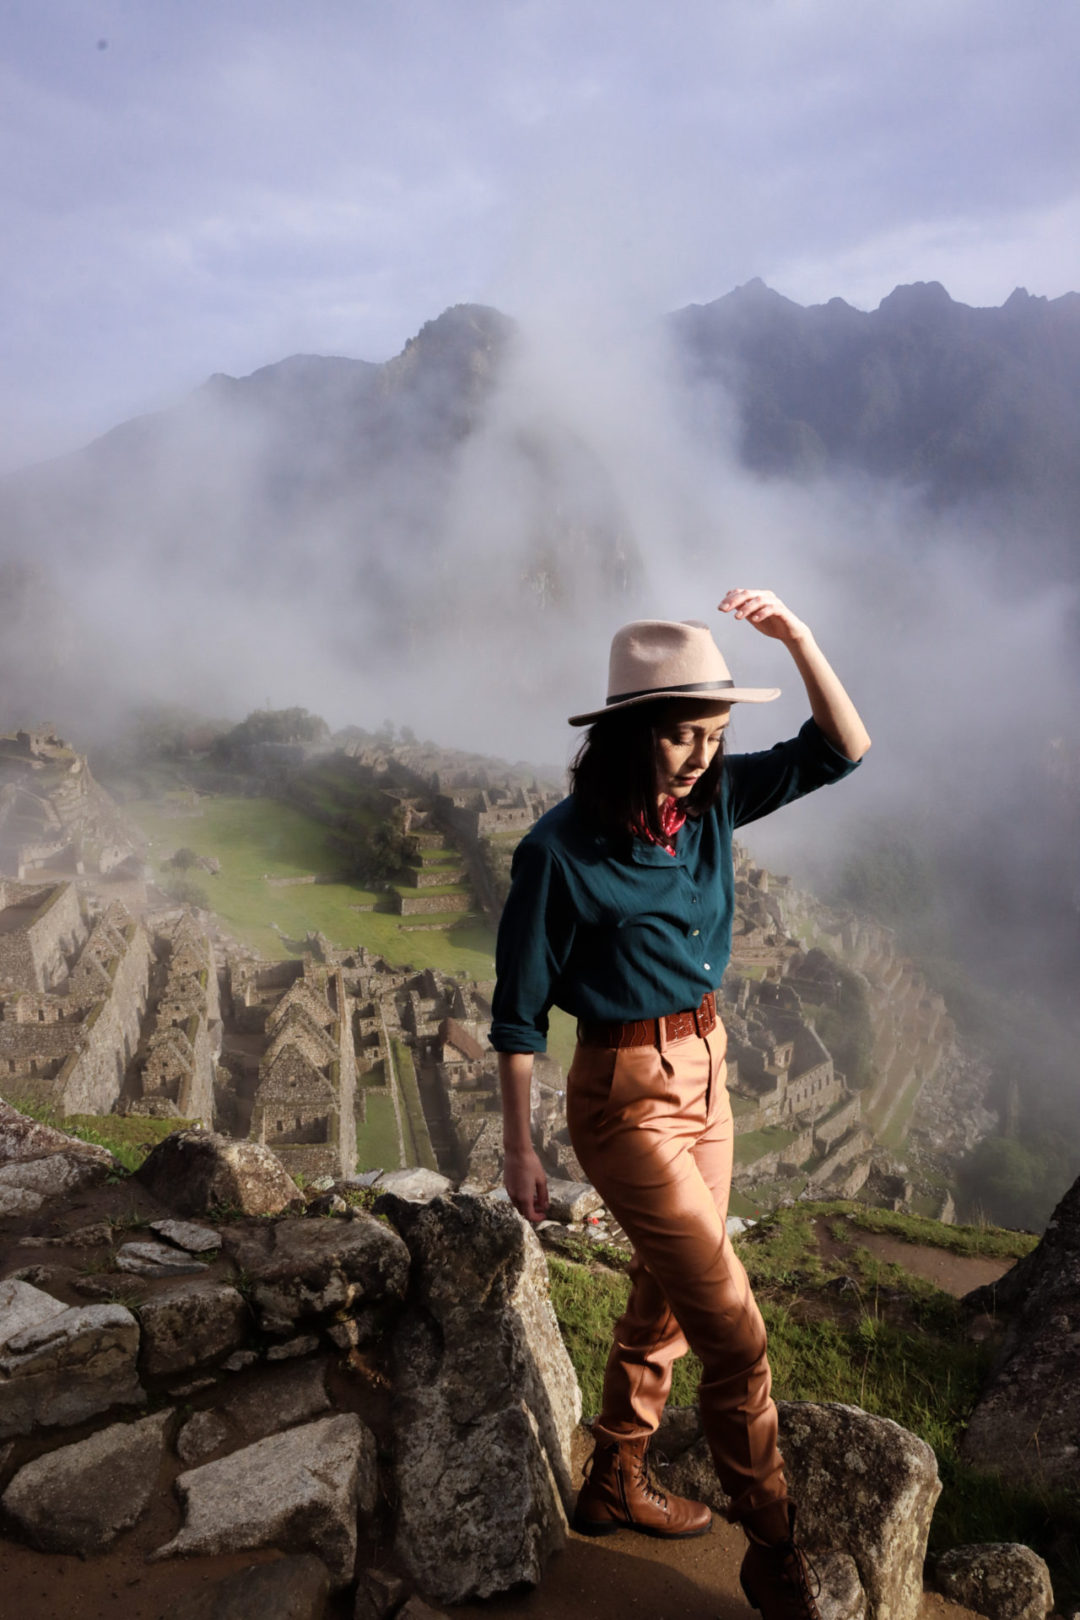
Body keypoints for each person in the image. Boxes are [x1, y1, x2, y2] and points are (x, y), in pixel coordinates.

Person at [490, 588, 871, 1620]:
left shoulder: (708, 808)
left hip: (709, 1075)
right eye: (679, 735)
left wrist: (797, 637)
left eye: (712, 733)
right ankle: (775, 1542)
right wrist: (520, 1150)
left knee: (667, 1292)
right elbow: (520, 1015)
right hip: (623, 1098)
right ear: (628, 734)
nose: (701, 755)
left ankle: (614, 1475)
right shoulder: (559, 852)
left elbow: (844, 748)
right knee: (735, 1334)